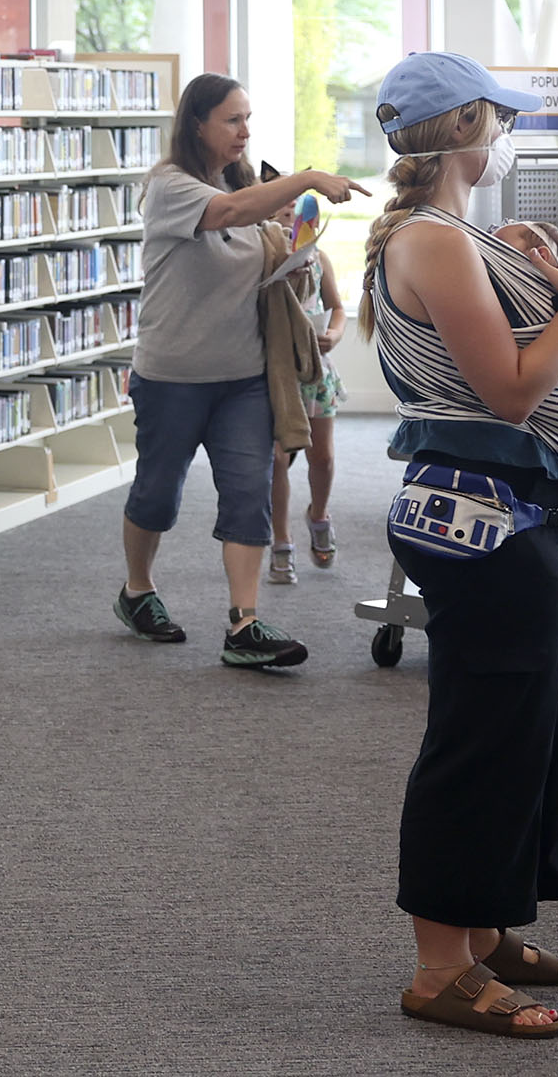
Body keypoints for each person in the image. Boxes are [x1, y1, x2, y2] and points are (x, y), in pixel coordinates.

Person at [361, 54, 558, 1039]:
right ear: (470, 128)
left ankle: (483, 928)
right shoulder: (432, 239)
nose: (510, 137)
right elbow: (511, 389)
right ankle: (439, 966)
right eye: (503, 121)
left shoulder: (448, 232)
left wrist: (523, 264)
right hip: (484, 521)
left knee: (525, 732)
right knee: (483, 734)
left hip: (510, 508)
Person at [114, 72, 364, 670]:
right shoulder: (170, 186)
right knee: (157, 494)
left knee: (249, 494)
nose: (245, 131)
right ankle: (137, 590)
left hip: (244, 377)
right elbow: (225, 213)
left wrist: (295, 265)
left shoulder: (247, 189)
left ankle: (243, 623)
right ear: (196, 124)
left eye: (248, 119)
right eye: (232, 119)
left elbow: (260, 251)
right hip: (173, 375)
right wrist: (304, 179)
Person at [269, 251, 347, 583]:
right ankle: (281, 542)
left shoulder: (319, 257)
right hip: (275, 373)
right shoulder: (262, 254)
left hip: (315, 371)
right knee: (276, 460)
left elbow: (338, 309)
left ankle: (318, 516)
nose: (288, 211)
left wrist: (333, 335)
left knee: (323, 457)